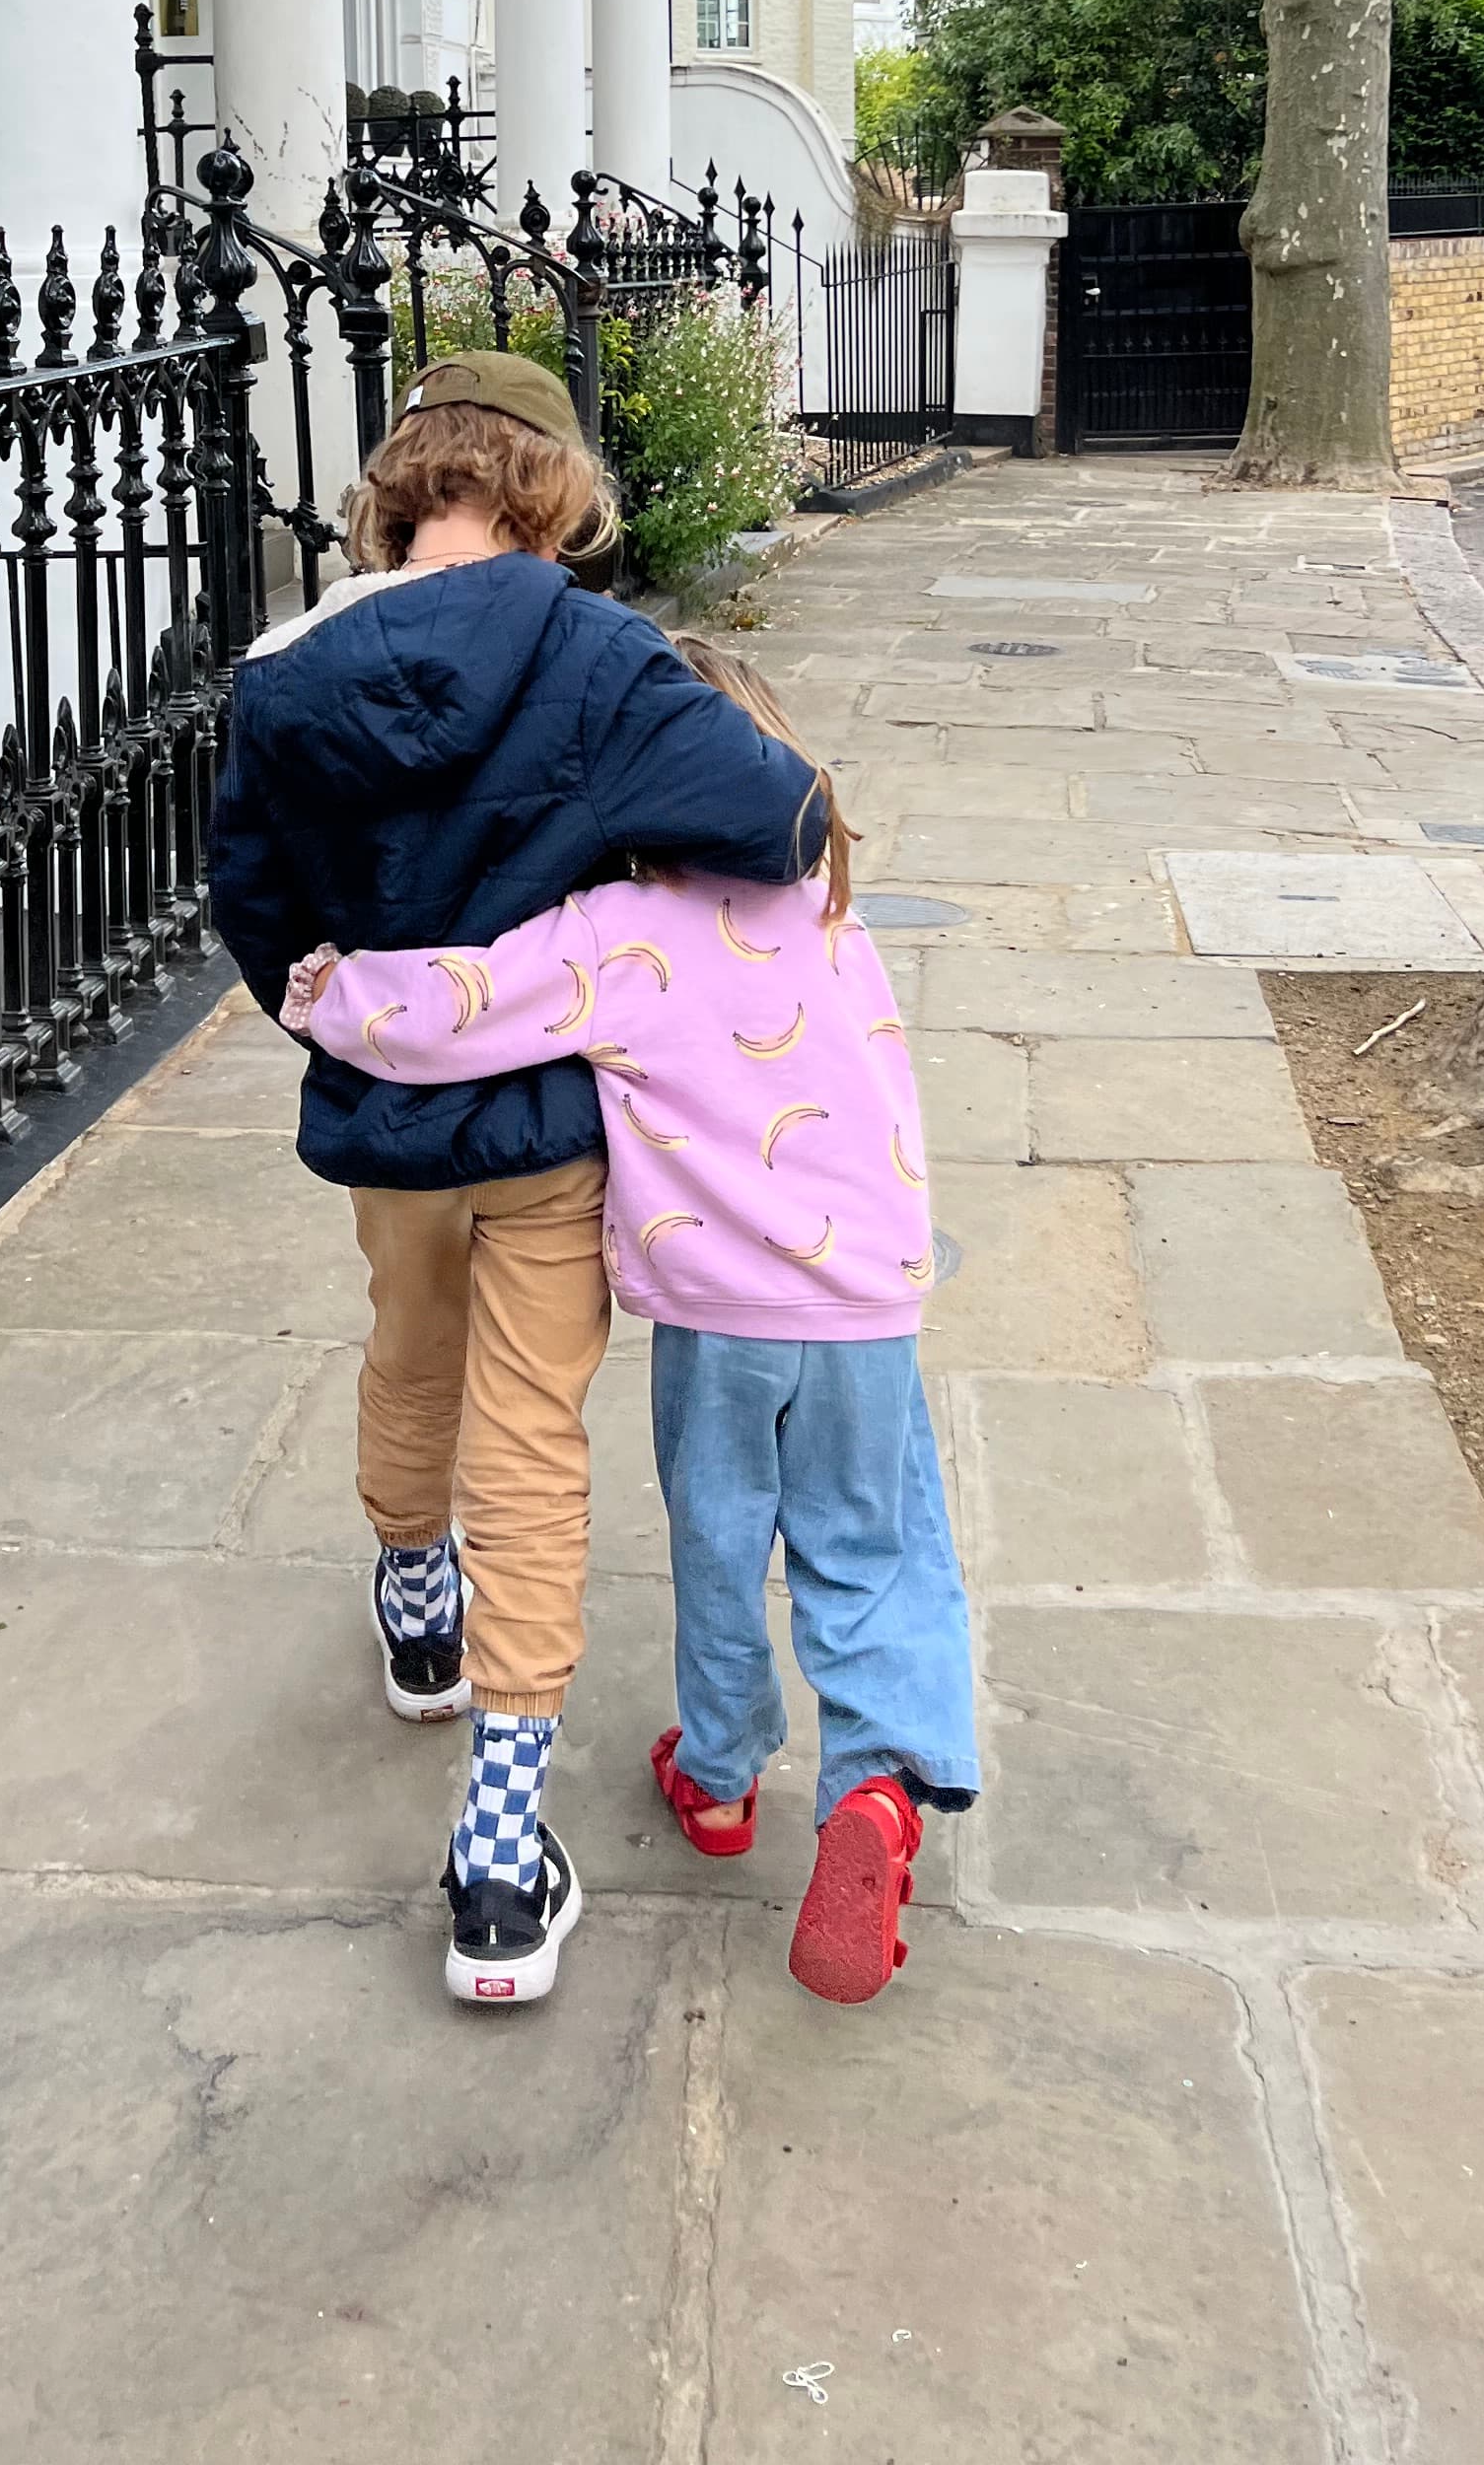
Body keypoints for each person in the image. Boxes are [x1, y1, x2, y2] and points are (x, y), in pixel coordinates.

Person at [208, 354, 829, 2009]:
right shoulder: (601, 656)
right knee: (532, 1435)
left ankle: (418, 1603)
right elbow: (783, 821)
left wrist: (349, 1019)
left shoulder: (284, 673)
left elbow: (253, 905)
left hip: (389, 1122)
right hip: (549, 1126)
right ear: (550, 488)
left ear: (404, 488)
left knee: (407, 1349)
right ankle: (498, 1838)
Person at [288, 633, 977, 2007]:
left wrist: (329, 996)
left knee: (720, 1538)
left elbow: (460, 1011)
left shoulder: (622, 931)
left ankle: (718, 1780)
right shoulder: (831, 911)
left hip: (718, 1312)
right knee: (872, 1551)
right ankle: (878, 1789)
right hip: (868, 1302)